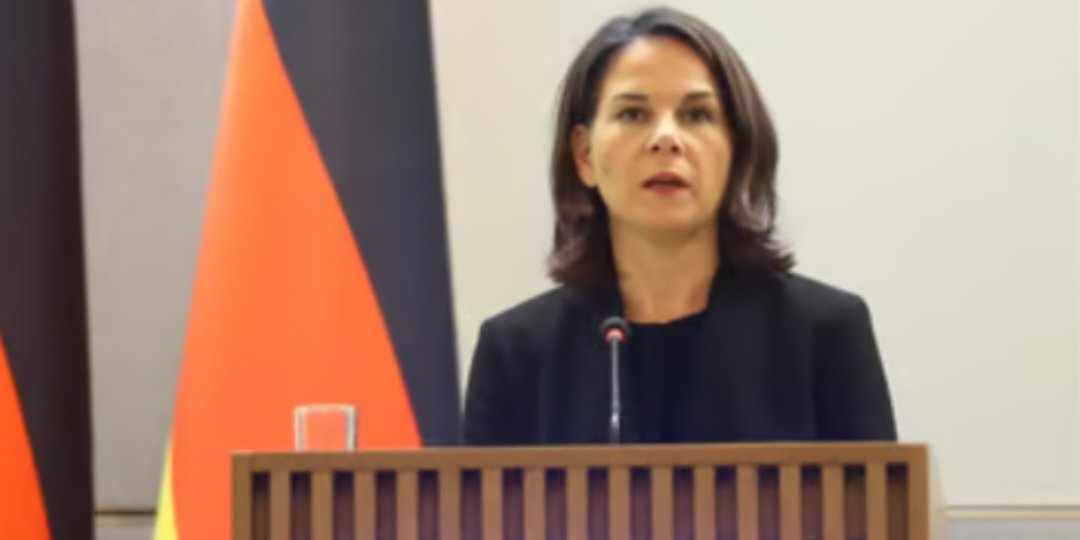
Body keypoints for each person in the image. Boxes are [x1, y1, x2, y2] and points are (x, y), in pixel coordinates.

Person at [462, 7, 896, 445]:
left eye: (697, 115)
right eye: (633, 114)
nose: (666, 138)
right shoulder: (516, 353)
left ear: (737, 151)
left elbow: (876, 490)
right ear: (584, 155)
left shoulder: (824, 335)